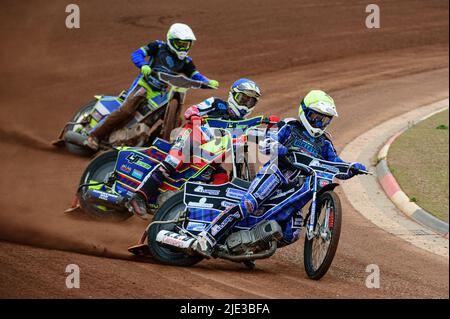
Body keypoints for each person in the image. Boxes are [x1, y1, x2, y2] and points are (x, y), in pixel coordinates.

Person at [189, 89, 367, 258]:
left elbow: (335, 163)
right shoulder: (290, 126)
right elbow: (268, 140)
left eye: (325, 120)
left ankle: (248, 248)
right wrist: (276, 147)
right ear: (304, 111)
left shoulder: (324, 142)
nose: (319, 123)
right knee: (249, 204)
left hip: (297, 186)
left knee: (292, 232)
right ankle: (206, 238)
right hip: (276, 173)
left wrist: (351, 167)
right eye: (316, 117)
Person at [127, 78, 262, 219]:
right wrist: (196, 119)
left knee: (221, 177)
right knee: (173, 162)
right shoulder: (217, 103)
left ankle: (212, 215)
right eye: (242, 98)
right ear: (232, 95)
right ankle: (139, 196)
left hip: (209, 156)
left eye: (250, 102)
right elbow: (191, 111)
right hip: (192, 137)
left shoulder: (242, 124)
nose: (245, 105)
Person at [85, 23, 219, 150]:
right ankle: (94, 136)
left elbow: (195, 74)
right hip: (144, 85)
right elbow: (137, 54)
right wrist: (143, 65)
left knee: (167, 119)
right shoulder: (158, 46)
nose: (183, 48)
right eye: (180, 44)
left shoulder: (186, 61)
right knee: (126, 110)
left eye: (186, 45)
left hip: (159, 93)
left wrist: (208, 81)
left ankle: (152, 146)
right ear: (171, 40)